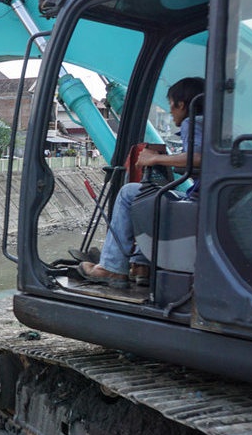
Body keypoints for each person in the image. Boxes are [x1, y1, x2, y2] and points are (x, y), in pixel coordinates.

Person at [78, 77, 205, 289]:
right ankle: (140, 265)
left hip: (198, 201)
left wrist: (154, 159)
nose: (171, 112)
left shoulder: (192, 122)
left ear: (181, 104)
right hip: (205, 198)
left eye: (171, 105)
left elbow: (199, 157)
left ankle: (112, 267)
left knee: (129, 193)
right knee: (148, 198)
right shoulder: (216, 123)